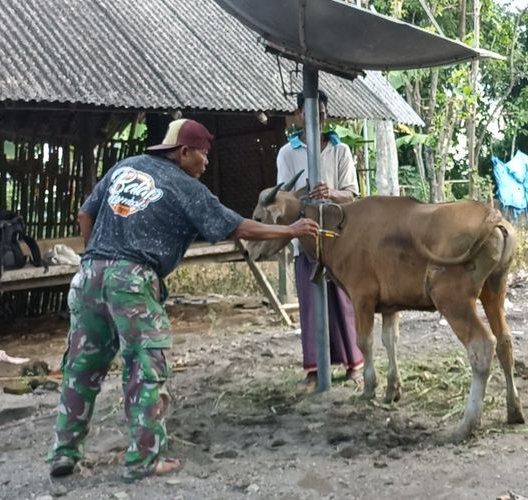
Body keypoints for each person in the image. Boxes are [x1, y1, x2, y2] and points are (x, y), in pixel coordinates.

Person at [48, 118, 319, 481]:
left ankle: (64, 454)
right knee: (145, 367)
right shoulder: (185, 187)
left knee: (81, 368)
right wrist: (290, 229)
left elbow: (86, 213)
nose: (206, 163)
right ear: (184, 152)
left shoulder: (124, 167)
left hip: (89, 276)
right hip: (132, 277)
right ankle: (144, 460)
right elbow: (239, 226)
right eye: (203, 156)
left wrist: (94, 256)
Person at [276, 90, 364, 389]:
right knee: (311, 303)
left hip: (340, 236)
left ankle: (354, 365)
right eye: (313, 113)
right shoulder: (288, 154)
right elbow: (283, 199)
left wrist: (330, 193)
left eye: (323, 112)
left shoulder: (340, 151)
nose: (319, 117)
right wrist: (305, 199)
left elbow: (350, 194)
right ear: (300, 114)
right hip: (307, 236)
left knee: (344, 301)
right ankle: (314, 370)